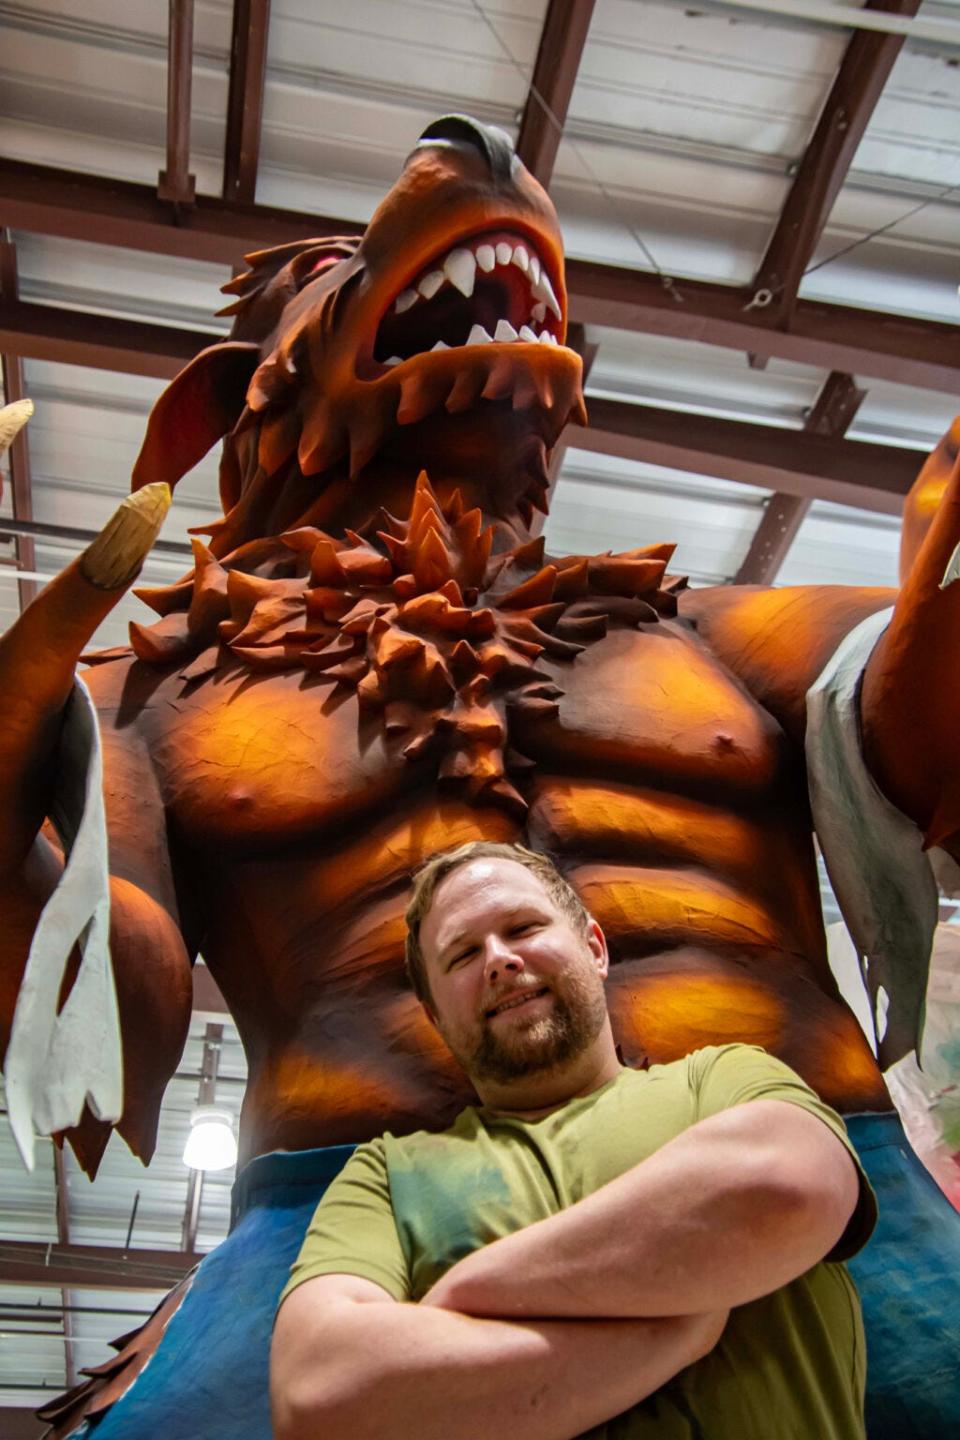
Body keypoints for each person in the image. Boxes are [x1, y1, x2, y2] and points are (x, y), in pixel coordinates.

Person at [270, 840, 876, 1440]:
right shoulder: (386, 1176)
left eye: (523, 927)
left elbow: (790, 1187)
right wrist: (671, 1329)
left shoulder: (721, 1078)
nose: (499, 961)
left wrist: (464, 1294)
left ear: (593, 948)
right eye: (461, 956)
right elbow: (318, 1396)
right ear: (434, 1017)